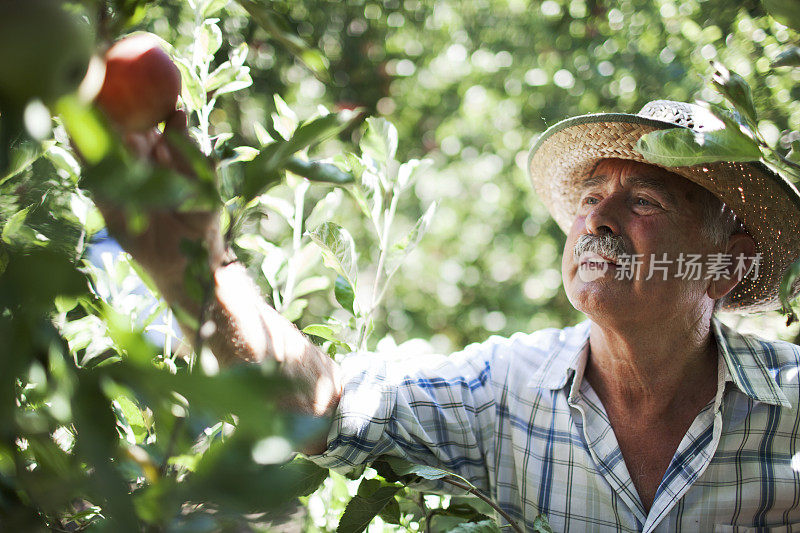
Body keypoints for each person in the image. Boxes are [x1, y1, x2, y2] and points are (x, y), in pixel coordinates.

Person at [103, 100, 800, 531]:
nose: (599, 221)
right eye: (590, 197)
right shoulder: (506, 391)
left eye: (644, 202)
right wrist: (200, 271)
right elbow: (324, 407)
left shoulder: (791, 406)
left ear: (727, 265)